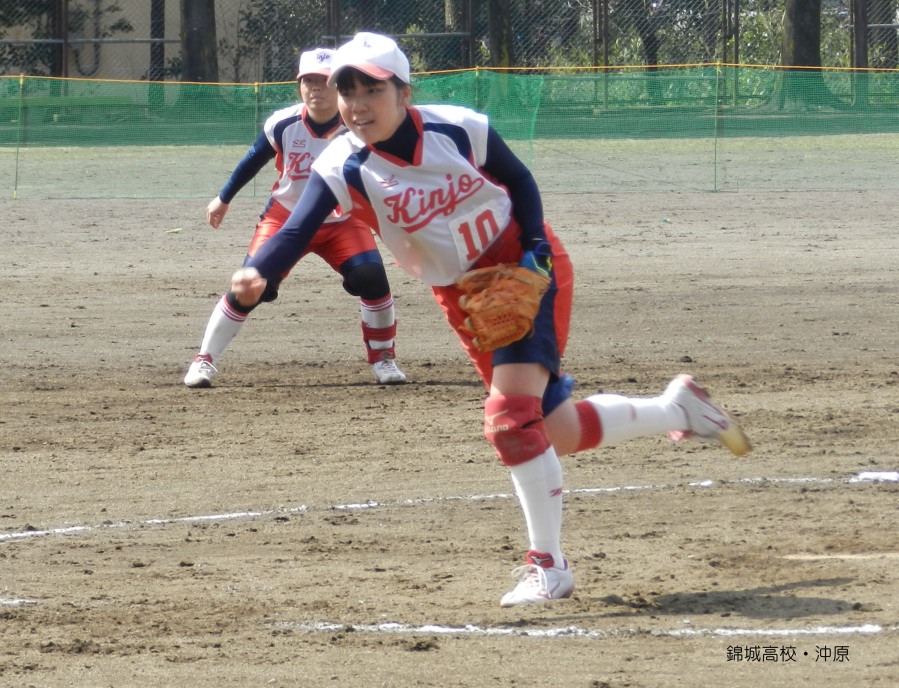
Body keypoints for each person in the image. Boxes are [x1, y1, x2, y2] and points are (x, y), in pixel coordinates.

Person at [229, 33, 751, 606]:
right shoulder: (341, 164)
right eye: (347, 90)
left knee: (510, 421)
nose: (356, 103)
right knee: (555, 431)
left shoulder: (458, 128)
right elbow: (297, 228)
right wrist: (259, 269)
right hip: (463, 295)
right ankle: (677, 410)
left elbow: (519, 179)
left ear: (404, 93)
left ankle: (549, 567)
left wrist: (536, 250)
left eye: (371, 89)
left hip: (523, 270)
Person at [184, 47, 407, 388]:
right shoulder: (284, 123)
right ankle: (204, 360)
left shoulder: (361, 126)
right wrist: (223, 198)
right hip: (286, 218)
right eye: (309, 81)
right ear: (299, 86)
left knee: (371, 277)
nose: (316, 88)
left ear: (340, 87)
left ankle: (384, 359)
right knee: (250, 286)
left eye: (324, 81)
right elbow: (253, 160)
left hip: (343, 220)